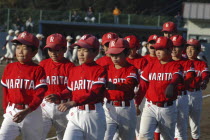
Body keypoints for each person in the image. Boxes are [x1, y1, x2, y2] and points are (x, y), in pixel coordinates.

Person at [55, 34, 106, 140]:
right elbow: (70, 90)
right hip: (75, 113)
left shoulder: (100, 70)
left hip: (93, 114)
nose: (81, 53)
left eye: (85, 50)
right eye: (79, 49)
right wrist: (58, 96)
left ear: (96, 52)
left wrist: (73, 102)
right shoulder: (74, 70)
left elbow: (94, 93)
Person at [0, 31, 47, 140]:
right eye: (18, 47)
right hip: (12, 112)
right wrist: (6, 109)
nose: (20, 51)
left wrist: (28, 110)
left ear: (34, 52)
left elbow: (39, 95)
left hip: (31, 113)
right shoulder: (9, 67)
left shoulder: (38, 70)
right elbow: (5, 91)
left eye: (25, 48)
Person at [138, 36, 183, 140]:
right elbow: (143, 85)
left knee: (167, 138)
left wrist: (172, 84)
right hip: (150, 106)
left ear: (169, 50)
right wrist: (137, 102)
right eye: (156, 49)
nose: (157, 52)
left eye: (161, 49)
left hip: (168, 108)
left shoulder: (176, 65)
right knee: (143, 136)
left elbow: (177, 76)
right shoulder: (151, 65)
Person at [39, 33, 75, 140]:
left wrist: (59, 95)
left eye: (57, 49)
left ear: (64, 49)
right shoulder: (43, 64)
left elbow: (72, 89)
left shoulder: (70, 67)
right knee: (37, 134)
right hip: (45, 106)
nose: (53, 53)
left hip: (63, 107)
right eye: (50, 50)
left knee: (64, 137)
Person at [104, 38, 139, 140]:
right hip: (109, 108)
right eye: (112, 54)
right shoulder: (106, 68)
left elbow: (129, 85)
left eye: (117, 54)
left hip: (126, 108)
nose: (114, 57)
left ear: (127, 53)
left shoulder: (131, 69)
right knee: (106, 137)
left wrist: (114, 86)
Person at [170, 35, 195, 140]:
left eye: (177, 46)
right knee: (166, 127)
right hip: (167, 98)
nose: (174, 49)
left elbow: (189, 78)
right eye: (172, 46)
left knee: (181, 128)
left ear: (183, 48)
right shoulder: (165, 61)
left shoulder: (188, 63)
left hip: (181, 97)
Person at [124, 35, 148, 139]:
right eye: (127, 48)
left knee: (138, 124)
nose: (129, 50)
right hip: (125, 94)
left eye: (132, 48)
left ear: (137, 48)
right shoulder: (122, 59)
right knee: (125, 125)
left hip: (139, 93)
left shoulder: (143, 61)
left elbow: (144, 81)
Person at [185, 38, 209, 140]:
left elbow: (205, 74)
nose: (189, 50)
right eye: (188, 48)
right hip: (182, 95)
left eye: (192, 48)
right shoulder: (181, 62)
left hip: (196, 95)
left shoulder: (202, 64)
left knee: (194, 124)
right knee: (179, 123)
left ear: (198, 50)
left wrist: (204, 81)